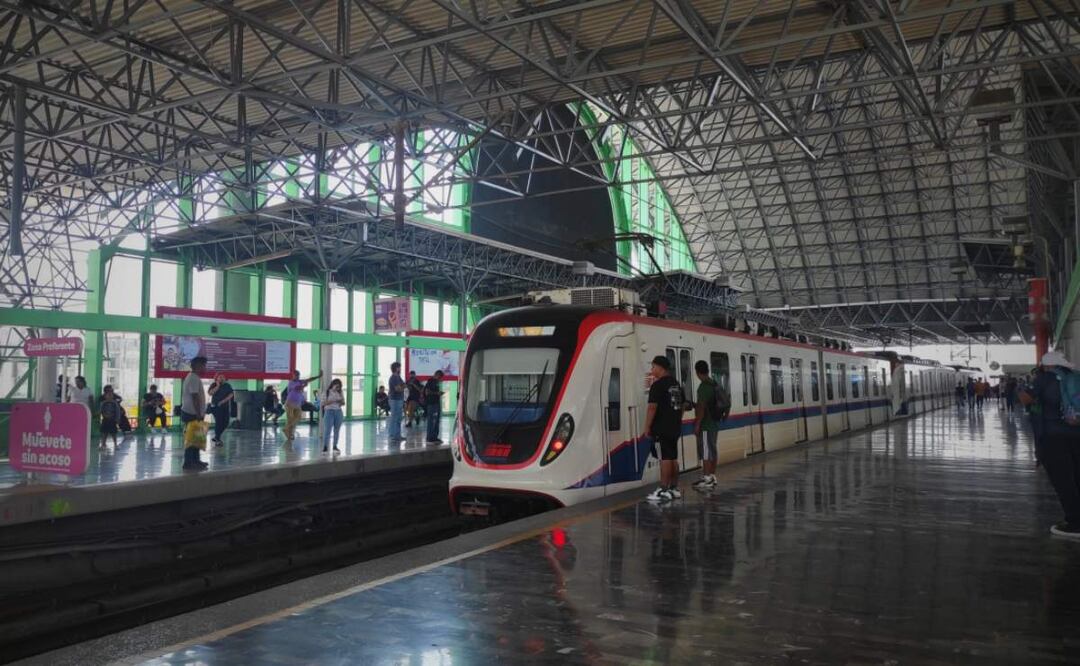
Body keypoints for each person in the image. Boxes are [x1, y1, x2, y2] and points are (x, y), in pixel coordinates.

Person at [1023, 351, 1080, 539]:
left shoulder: (1045, 378)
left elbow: (1025, 398)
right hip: (1076, 433)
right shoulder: (1075, 377)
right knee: (1076, 476)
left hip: (1053, 437)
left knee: (1063, 481)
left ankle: (1075, 524)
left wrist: (1023, 390)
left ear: (1047, 365)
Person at [645, 356, 685, 503]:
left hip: (661, 428)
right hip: (674, 427)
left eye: (653, 367)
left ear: (660, 367)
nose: (652, 370)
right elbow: (682, 405)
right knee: (673, 457)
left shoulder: (658, 385)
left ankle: (663, 489)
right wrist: (676, 419)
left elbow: (652, 407)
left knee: (664, 458)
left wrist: (647, 426)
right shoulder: (676, 384)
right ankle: (674, 488)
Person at [692, 360, 727, 490]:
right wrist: (725, 416)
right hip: (715, 423)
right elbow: (727, 402)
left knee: (706, 452)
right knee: (712, 450)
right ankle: (712, 476)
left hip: (706, 425)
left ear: (697, 372)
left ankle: (707, 479)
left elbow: (701, 408)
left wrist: (697, 425)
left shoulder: (703, 387)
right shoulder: (714, 383)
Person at [180, 356, 209, 470]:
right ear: (198, 366)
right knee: (191, 439)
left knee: (196, 438)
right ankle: (188, 463)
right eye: (204, 365)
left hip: (194, 413)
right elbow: (195, 397)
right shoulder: (193, 378)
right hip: (192, 413)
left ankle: (196, 460)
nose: (205, 368)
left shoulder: (194, 377)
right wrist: (198, 413)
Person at [283, 370, 322, 442]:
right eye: (296, 375)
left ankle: (287, 429)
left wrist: (318, 376)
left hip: (297, 404)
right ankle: (289, 435)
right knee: (290, 419)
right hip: (290, 403)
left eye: (298, 375)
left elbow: (309, 379)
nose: (297, 377)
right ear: (293, 376)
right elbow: (297, 388)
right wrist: (304, 385)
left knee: (298, 417)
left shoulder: (300, 381)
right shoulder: (291, 382)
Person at [208, 373, 234, 447]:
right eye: (220, 377)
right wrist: (217, 386)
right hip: (215, 407)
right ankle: (218, 439)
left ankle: (217, 437)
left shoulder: (227, 385)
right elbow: (210, 393)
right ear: (216, 378)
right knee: (219, 422)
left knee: (226, 422)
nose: (222, 378)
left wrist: (223, 401)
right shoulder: (213, 385)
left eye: (223, 377)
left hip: (225, 406)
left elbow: (231, 394)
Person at [321, 378, 345, 453]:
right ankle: (325, 447)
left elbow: (343, 403)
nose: (338, 388)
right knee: (327, 430)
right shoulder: (327, 392)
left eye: (339, 387)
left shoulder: (340, 392)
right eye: (336, 386)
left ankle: (335, 446)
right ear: (333, 384)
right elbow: (323, 403)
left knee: (337, 430)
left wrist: (340, 402)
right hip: (329, 412)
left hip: (338, 411)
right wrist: (332, 401)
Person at [424, 370, 445, 444]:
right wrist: (437, 393)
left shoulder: (436, 382)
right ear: (437, 375)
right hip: (432, 404)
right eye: (440, 377)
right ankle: (429, 438)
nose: (440, 379)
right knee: (432, 421)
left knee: (436, 421)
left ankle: (434, 437)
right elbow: (427, 392)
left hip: (436, 403)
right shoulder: (430, 381)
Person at [98, 384, 122, 449]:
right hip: (105, 420)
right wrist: (100, 416)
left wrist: (118, 419)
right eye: (108, 395)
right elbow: (100, 410)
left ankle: (115, 444)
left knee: (113, 433)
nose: (109, 396)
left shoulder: (115, 403)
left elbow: (117, 411)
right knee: (104, 433)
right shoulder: (103, 403)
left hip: (112, 420)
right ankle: (103, 444)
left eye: (111, 395)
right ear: (105, 396)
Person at [388, 362, 405, 443]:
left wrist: (401, 387)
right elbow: (398, 389)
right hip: (395, 400)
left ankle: (397, 435)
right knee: (394, 418)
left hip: (399, 399)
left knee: (398, 418)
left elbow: (403, 385)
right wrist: (401, 388)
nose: (400, 369)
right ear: (396, 368)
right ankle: (393, 435)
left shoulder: (398, 377)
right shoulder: (393, 378)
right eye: (399, 367)